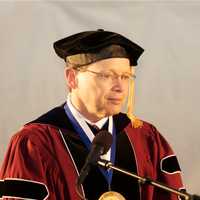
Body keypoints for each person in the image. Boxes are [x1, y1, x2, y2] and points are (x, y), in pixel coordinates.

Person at [0, 29, 184, 200]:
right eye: (106, 76)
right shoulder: (35, 142)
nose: (120, 87)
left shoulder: (144, 137)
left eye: (125, 77)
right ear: (72, 78)